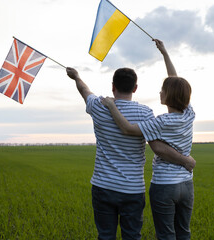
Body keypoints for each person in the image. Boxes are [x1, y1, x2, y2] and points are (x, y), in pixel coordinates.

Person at [66, 65, 195, 240]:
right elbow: (157, 146)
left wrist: (76, 77)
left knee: (105, 236)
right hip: (133, 188)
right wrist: (185, 160)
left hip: (103, 185)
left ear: (113, 86)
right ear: (135, 88)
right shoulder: (145, 113)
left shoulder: (98, 105)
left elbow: (84, 90)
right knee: (133, 236)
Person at [102, 39, 195, 240]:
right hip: (187, 184)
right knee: (184, 232)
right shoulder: (189, 113)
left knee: (166, 235)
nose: (160, 92)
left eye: (163, 90)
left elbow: (127, 129)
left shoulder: (159, 122)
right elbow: (176, 81)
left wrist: (111, 106)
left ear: (169, 96)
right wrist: (165, 54)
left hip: (164, 185)